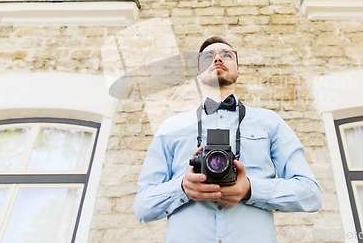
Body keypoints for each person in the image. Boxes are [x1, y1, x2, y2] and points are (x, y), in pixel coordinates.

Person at [134, 36, 321, 243]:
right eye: (208, 56)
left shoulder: (270, 123)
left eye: (227, 55)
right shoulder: (171, 127)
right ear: (198, 74)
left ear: (238, 71)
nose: (217, 59)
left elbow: (310, 194)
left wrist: (251, 189)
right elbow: (142, 206)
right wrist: (182, 188)